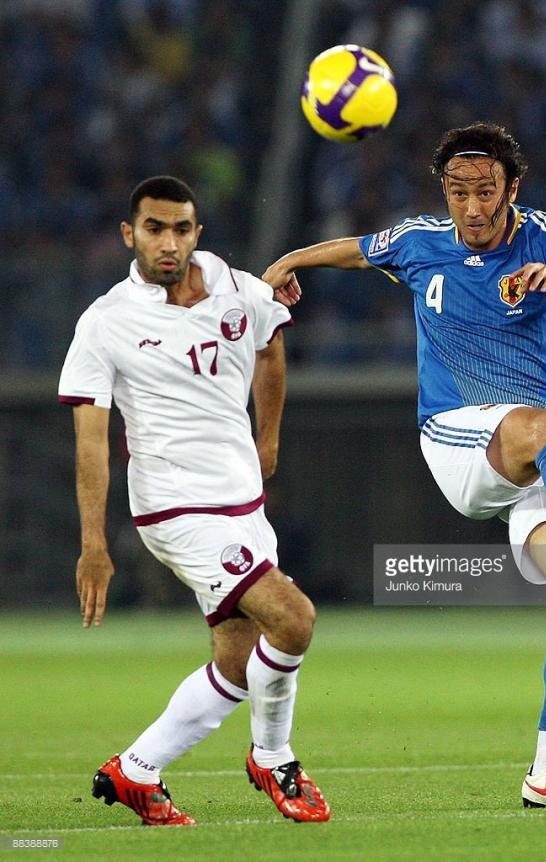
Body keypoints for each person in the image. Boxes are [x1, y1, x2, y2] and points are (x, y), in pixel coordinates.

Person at [262, 122, 546, 810]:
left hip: (536, 457)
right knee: (543, 427)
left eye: (485, 192)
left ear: (511, 188)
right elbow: (359, 251)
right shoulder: (422, 242)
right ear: (445, 191)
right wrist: (289, 261)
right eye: (458, 192)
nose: (472, 207)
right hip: (457, 438)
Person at [58, 176, 330, 826]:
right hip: (175, 508)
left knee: (236, 664)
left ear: (196, 233)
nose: (169, 242)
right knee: (293, 618)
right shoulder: (106, 322)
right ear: (130, 235)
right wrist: (93, 545)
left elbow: (270, 343)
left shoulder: (236, 287)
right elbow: (90, 442)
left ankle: (136, 770)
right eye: (154, 229)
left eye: (180, 229)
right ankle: (274, 758)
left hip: (241, 501)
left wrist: (268, 438)